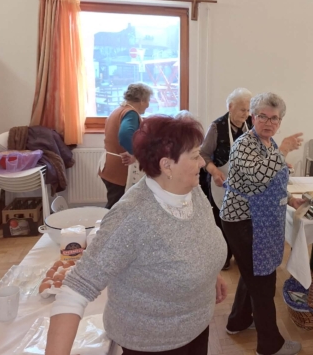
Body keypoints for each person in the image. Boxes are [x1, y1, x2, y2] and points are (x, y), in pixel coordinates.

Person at [46, 115, 227, 355]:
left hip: (196, 328)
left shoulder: (191, 191)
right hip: (150, 343)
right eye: (195, 156)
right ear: (167, 165)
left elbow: (197, 240)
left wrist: (209, 273)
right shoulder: (132, 217)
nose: (202, 163)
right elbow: (75, 290)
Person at [220, 92, 306, 355]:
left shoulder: (268, 142)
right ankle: (270, 345)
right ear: (252, 117)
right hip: (243, 221)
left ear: (280, 121)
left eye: (274, 118)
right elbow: (258, 176)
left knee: (252, 274)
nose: (269, 123)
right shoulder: (244, 144)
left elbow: (272, 180)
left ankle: (238, 321)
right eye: (263, 117)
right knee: (262, 283)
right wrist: (283, 150)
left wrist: (290, 199)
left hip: (259, 220)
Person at [201, 87, 253, 270]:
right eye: (242, 110)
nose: (246, 114)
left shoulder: (251, 126)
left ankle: (240, 255)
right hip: (221, 182)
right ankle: (223, 256)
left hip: (245, 184)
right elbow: (203, 155)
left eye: (248, 110)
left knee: (243, 222)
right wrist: (214, 172)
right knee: (221, 222)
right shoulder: (217, 127)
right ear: (231, 107)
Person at [99, 83, 153, 209]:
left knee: (116, 205)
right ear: (141, 100)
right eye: (148, 101)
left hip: (109, 165)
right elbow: (124, 136)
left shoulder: (119, 110)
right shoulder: (131, 113)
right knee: (117, 208)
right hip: (119, 170)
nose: (148, 105)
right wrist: (136, 153)